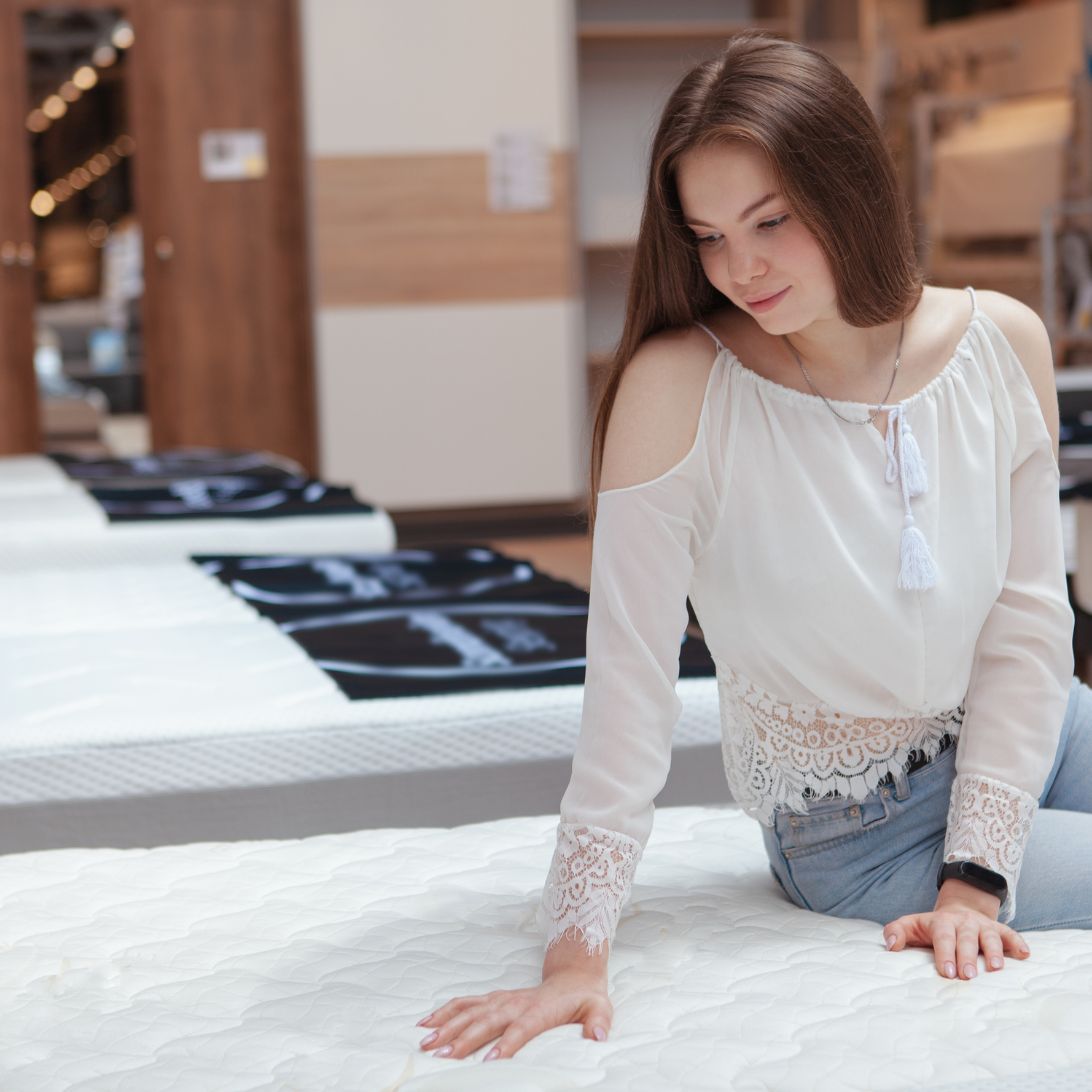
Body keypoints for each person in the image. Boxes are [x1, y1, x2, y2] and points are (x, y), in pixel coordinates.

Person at [417, 30, 1092, 1063]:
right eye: (709, 235)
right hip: (861, 828)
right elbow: (629, 683)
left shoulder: (1002, 341)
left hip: (1039, 728)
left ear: (850, 186)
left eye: (771, 220)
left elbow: (1031, 623)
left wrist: (981, 869)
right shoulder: (680, 384)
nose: (741, 268)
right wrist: (575, 955)